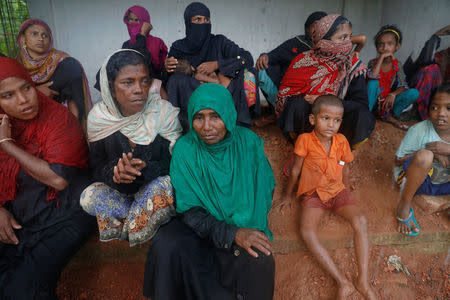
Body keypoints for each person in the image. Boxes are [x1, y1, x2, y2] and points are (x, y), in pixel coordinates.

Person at [143, 83, 275, 300]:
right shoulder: (186, 149)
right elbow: (189, 211)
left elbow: (264, 190)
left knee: (260, 259)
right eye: (199, 117)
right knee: (166, 243)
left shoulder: (249, 143)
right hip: (200, 229)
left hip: (244, 223)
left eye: (215, 116)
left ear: (228, 115)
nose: (206, 126)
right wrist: (230, 233)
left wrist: (240, 225)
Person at [0, 57, 95, 299]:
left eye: (26, 88)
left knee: (21, 288)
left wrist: (7, 145)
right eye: (7, 95)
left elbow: (58, 180)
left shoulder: (57, 119)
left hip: (65, 214)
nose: (22, 100)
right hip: (21, 217)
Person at [278, 95, 378, 300]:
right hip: (313, 193)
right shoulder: (304, 140)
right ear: (313, 120)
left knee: (360, 220)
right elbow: (295, 171)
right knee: (307, 232)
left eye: (337, 120)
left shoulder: (341, 141)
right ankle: (342, 281)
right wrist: (287, 196)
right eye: (325, 118)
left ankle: (363, 281)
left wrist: (346, 190)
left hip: (337, 191)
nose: (331, 125)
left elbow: (345, 165)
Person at [79, 49, 182, 246]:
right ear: (110, 86)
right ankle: (142, 218)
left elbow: (177, 164)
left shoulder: (162, 113)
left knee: (166, 187)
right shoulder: (100, 118)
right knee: (89, 196)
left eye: (145, 81)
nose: (139, 89)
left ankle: (131, 225)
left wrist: (145, 170)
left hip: (155, 189)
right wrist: (116, 174)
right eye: (128, 82)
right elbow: (97, 165)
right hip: (122, 194)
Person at [275, 14, 374, 149]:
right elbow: (285, 98)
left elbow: (360, 104)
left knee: (363, 114)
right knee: (295, 105)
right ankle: (302, 147)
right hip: (309, 122)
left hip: (339, 124)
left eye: (349, 37)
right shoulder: (303, 61)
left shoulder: (352, 66)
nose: (348, 43)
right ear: (324, 40)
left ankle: (341, 152)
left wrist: (325, 100)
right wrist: (316, 105)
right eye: (342, 37)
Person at [164, 2, 259, 131]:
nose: (203, 23)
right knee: (176, 80)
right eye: (198, 19)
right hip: (192, 96)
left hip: (221, 92)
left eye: (206, 20)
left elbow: (247, 58)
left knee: (249, 73)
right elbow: (167, 80)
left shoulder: (219, 42)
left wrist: (217, 64)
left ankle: (233, 124)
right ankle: (188, 127)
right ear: (188, 22)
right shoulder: (178, 47)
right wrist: (167, 67)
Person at [395, 83, 450, 236]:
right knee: (425, 156)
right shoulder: (419, 131)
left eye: (448, 108)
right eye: (435, 107)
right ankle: (404, 205)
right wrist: (432, 152)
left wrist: (446, 149)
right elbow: (398, 160)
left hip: (445, 186)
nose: (441, 114)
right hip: (418, 183)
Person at [16, 19, 92, 128]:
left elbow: (75, 100)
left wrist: (73, 128)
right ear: (23, 38)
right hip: (29, 124)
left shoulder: (66, 63)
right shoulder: (16, 66)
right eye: (34, 34)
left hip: (63, 122)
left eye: (45, 35)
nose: (40, 39)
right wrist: (36, 92)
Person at [255, 11, 328, 107]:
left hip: (317, 96)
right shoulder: (297, 42)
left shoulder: (333, 49)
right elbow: (274, 55)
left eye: (323, 26)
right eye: (315, 25)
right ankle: (278, 109)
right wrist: (265, 56)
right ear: (307, 28)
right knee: (261, 69)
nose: (318, 29)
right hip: (289, 91)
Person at [367, 25, 419, 130]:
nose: (385, 48)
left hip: (387, 99)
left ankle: (391, 114)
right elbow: (372, 76)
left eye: (389, 44)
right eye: (381, 44)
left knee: (414, 93)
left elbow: (403, 85)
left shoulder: (397, 64)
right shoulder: (372, 62)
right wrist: (381, 58)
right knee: (373, 83)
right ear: (377, 47)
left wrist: (393, 94)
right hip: (373, 99)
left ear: (397, 46)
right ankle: (367, 113)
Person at [403, 25, 449, 120]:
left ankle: (416, 108)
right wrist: (436, 35)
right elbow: (426, 59)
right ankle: (415, 107)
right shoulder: (444, 55)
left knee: (431, 69)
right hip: (430, 90)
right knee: (430, 68)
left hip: (443, 95)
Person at [123, 5, 168, 77]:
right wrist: (142, 35)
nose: (133, 23)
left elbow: (141, 61)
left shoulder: (157, 42)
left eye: (137, 20)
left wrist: (142, 35)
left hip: (152, 82)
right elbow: (132, 65)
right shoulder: (126, 45)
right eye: (130, 20)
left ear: (146, 23)